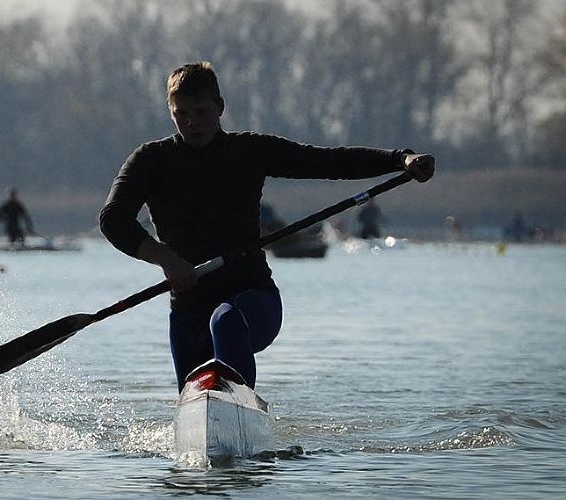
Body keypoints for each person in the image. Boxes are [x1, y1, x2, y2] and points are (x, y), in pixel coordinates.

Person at [98, 62, 434, 391]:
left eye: (201, 112)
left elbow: (329, 160)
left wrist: (399, 159)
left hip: (254, 300)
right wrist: (166, 260)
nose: (191, 123)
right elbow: (113, 220)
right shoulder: (150, 160)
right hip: (188, 309)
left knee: (226, 320)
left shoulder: (250, 151)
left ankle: (238, 403)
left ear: (220, 107)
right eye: (180, 114)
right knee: (195, 387)